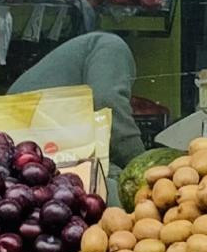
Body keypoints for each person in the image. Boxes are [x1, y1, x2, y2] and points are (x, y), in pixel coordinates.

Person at [8, 31, 147, 188]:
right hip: (35, 136)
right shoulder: (114, 47)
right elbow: (107, 101)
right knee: (114, 187)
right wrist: (142, 163)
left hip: (22, 145)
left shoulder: (90, 47)